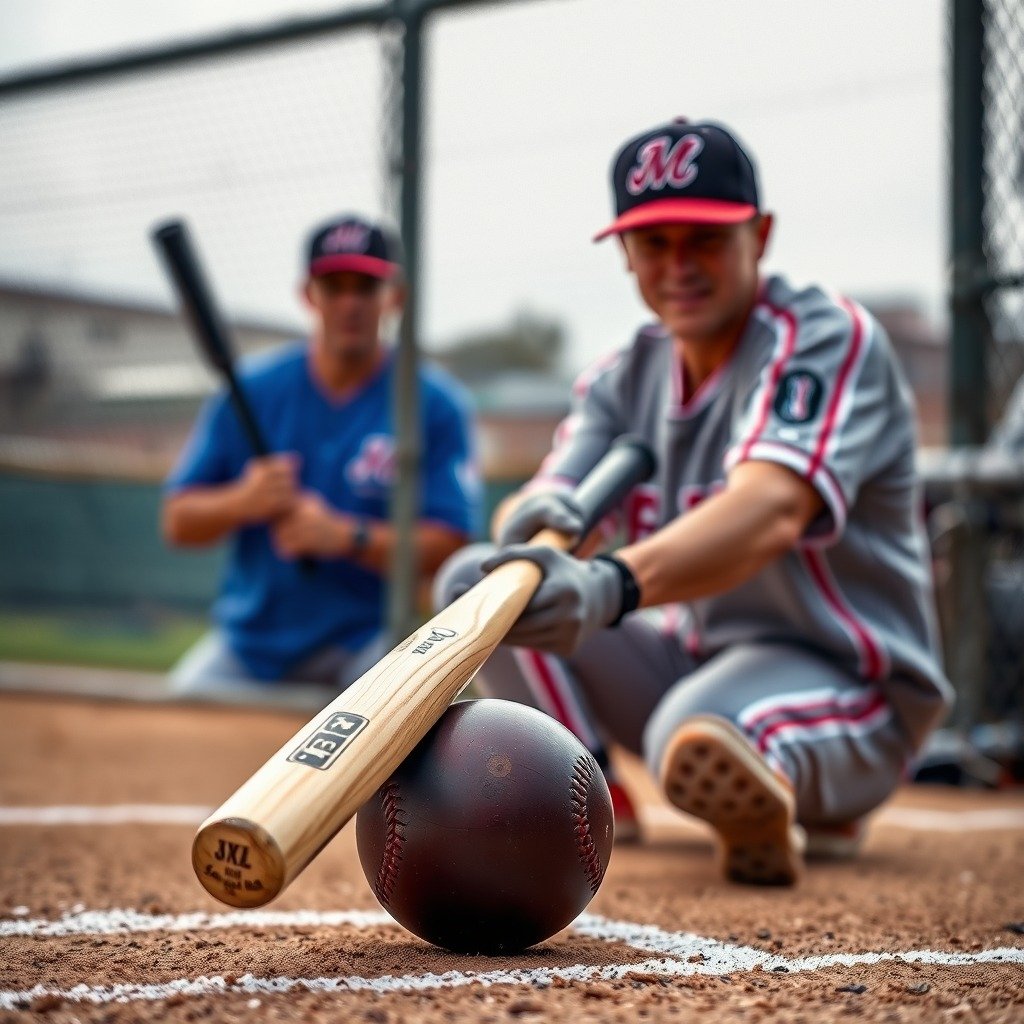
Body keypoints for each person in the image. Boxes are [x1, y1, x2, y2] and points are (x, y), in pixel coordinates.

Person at [434, 118, 953, 883]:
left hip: (848, 674)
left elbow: (772, 509)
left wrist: (608, 583)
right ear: (624, 254)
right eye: (654, 243)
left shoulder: (820, 335)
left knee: (695, 725)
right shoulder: (625, 374)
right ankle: (585, 801)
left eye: (703, 238)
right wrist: (543, 523)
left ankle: (808, 784)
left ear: (761, 235)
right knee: (479, 586)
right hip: (695, 659)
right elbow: (539, 505)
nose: (678, 265)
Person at [164, 214, 478, 702]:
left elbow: (450, 545)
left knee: (406, 730)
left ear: (393, 296)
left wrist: (344, 537)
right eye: (334, 286)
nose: (350, 302)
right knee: (175, 713)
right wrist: (242, 502)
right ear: (309, 295)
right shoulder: (251, 390)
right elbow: (178, 521)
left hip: (367, 644)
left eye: (366, 286)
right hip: (250, 646)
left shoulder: (433, 402)